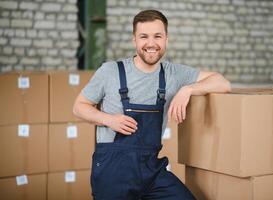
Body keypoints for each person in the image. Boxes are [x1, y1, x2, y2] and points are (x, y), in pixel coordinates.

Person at [73, 9, 231, 200]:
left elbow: (222, 82)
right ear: (134, 41)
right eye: (144, 36)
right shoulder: (110, 71)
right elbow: (79, 107)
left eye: (158, 36)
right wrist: (108, 120)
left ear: (166, 39)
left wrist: (188, 89)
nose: (151, 43)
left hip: (151, 170)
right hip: (112, 171)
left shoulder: (173, 74)